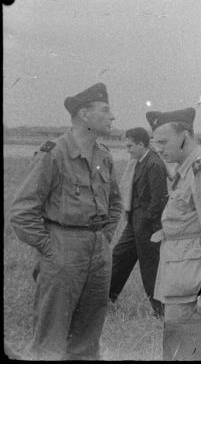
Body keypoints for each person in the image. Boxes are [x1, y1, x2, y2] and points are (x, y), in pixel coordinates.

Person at [10, 82, 122, 360]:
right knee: (51, 338)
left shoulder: (104, 156)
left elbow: (116, 204)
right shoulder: (54, 153)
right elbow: (23, 211)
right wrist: (50, 248)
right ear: (84, 115)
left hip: (97, 251)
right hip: (63, 249)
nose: (112, 117)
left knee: (88, 337)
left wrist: (103, 238)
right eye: (105, 110)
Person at [146, 107, 201, 324]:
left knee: (185, 349)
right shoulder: (186, 170)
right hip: (181, 274)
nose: (158, 149)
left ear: (185, 137)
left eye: (163, 142)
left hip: (192, 280)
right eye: (156, 143)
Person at [109, 127, 168, 316]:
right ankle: (105, 300)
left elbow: (158, 200)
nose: (128, 150)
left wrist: (144, 224)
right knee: (118, 257)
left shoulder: (154, 164)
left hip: (147, 227)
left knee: (150, 270)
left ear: (141, 145)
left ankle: (162, 312)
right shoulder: (140, 161)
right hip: (135, 224)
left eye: (130, 146)